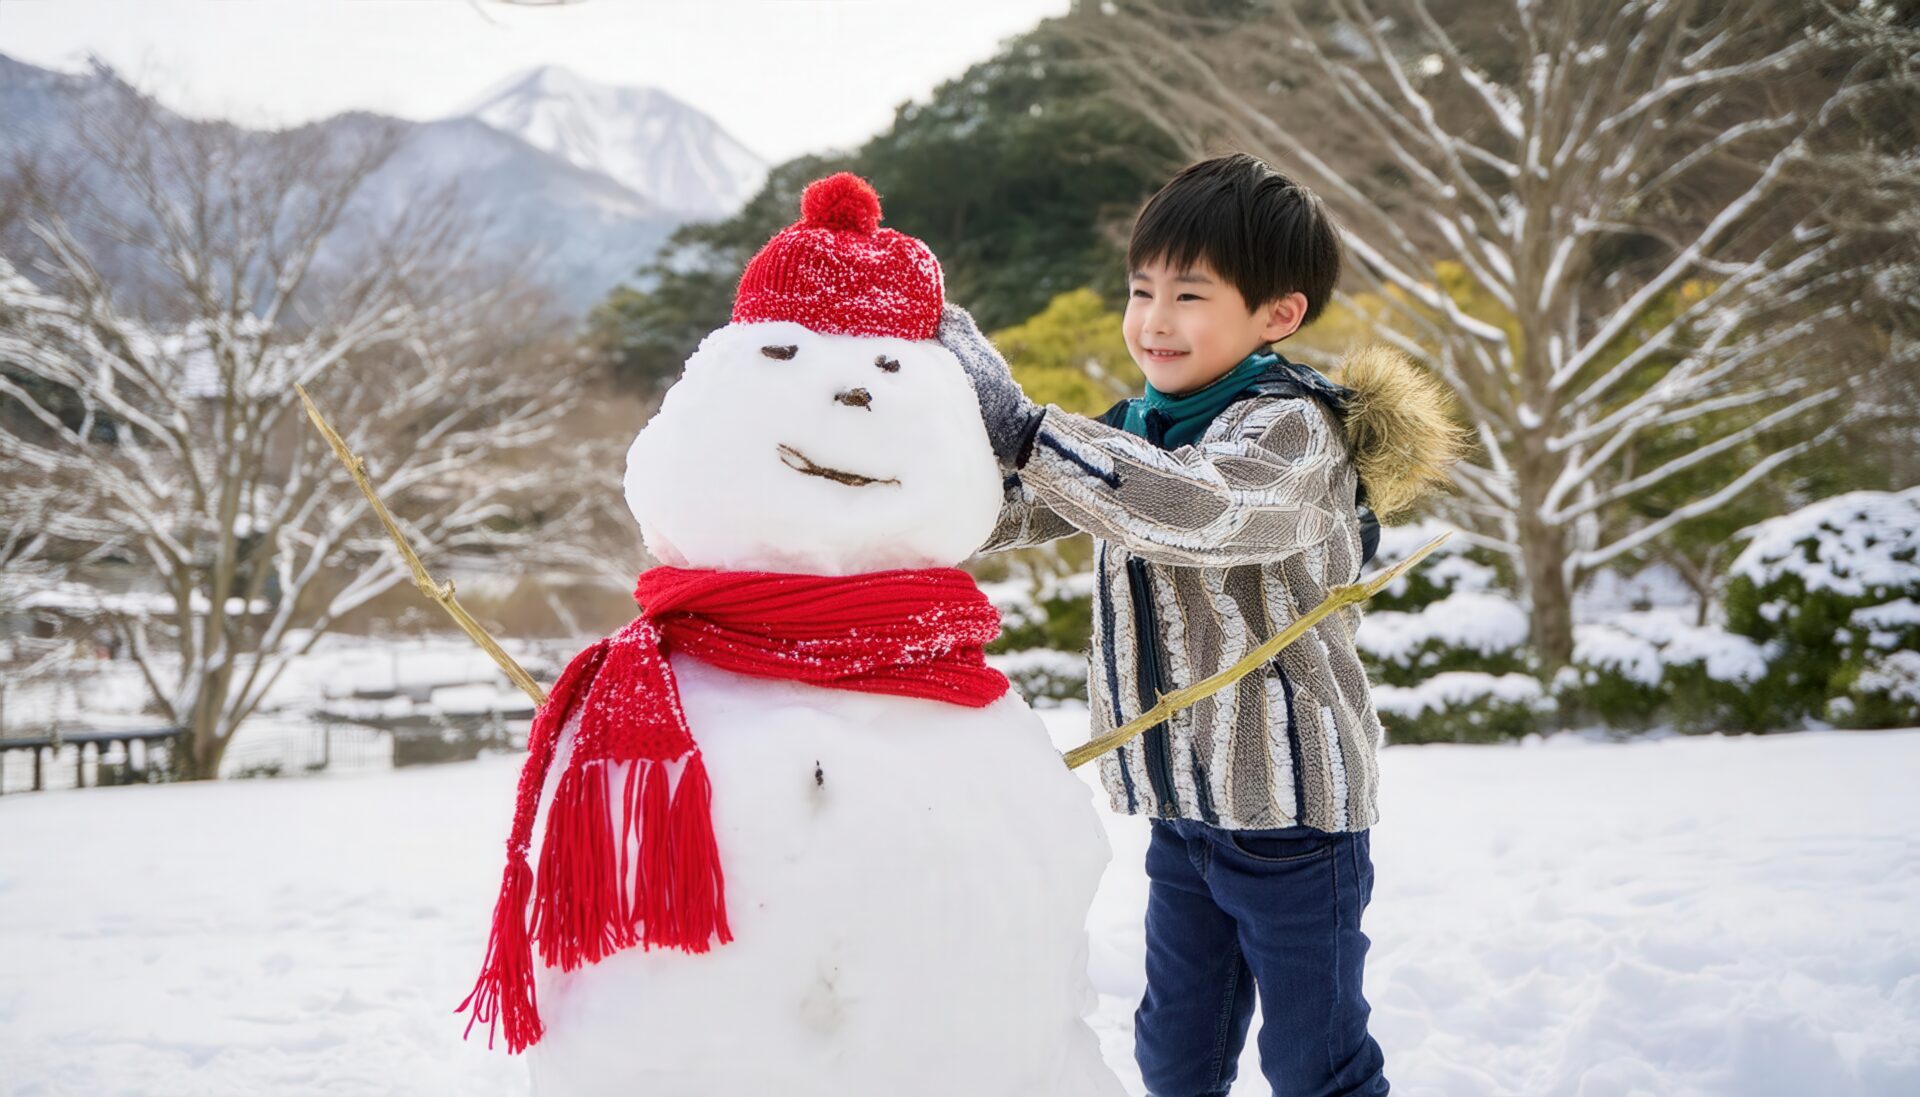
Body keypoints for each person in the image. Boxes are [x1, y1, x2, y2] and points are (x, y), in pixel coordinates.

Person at [941, 152, 1464, 1096]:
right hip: (1184, 816)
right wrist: (892, 471)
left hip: (1297, 822)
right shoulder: (1140, 426)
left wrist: (1027, 426)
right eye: (1142, 290)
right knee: (1176, 1055)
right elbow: (1013, 507)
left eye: (1190, 294)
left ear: (1278, 313)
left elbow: (1195, 510)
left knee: (1317, 1064)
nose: (1154, 319)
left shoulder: (1291, 431)